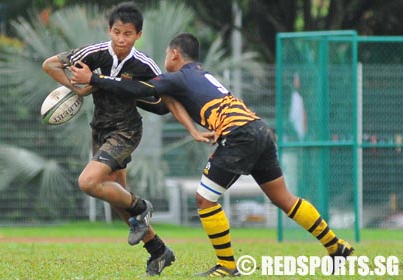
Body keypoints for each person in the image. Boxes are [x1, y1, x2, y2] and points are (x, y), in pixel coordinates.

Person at [70, 32, 355, 277]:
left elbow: (137, 88)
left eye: (167, 56)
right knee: (284, 199)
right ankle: (336, 247)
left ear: (174, 54)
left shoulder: (179, 76)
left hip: (239, 136)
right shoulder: (200, 74)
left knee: (204, 200)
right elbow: (168, 100)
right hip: (259, 130)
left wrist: (95, 79)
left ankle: (227, 265)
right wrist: (195, 131)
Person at [42, 2, 174, 276]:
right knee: (118, 199)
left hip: (126, 131)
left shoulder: (144, 63)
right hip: (99, 130)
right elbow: (50, 64)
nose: (121, 39)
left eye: (127, 33)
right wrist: (77, 87)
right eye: (116, 32)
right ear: (109, 30)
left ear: (138, 34)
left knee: (88, 182)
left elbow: (162, 102)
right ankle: (159, 251)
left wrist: (123, 89)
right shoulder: (95, 53)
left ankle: (142, 206)